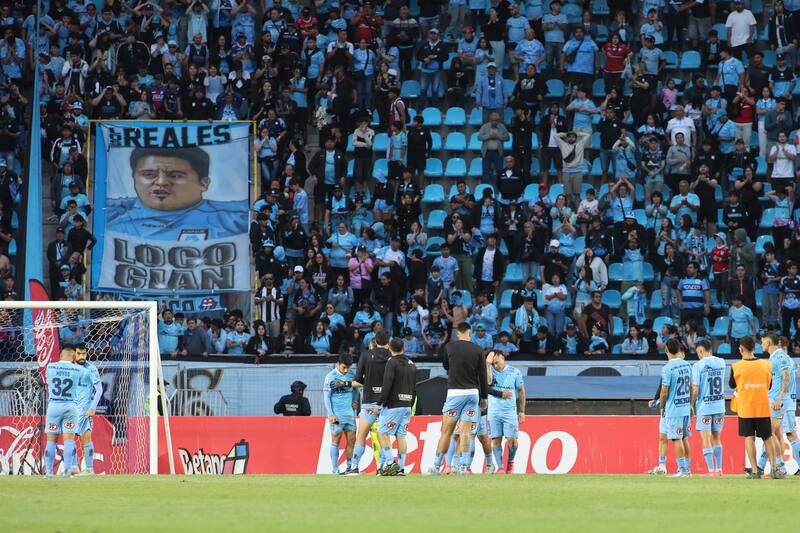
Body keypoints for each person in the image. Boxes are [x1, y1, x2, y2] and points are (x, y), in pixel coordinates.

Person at [105, 147, 248, 239]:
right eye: (148, 174)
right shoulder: (111, 216)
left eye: (175, 175)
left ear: (204, 183)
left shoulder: (232, 221)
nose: (161, 182)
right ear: (134, 178)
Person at [427, 322, 488, 475]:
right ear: (470, 332)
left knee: (446, 432)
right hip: (472, 393)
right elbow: (483, 376)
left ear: (457, 333)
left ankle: (435, 467)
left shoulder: (450, 347)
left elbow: (446, 366)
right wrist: (484, 397)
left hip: (455, 393)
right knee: (466, 432)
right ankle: (462, 467)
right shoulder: (479, 350)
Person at [729, 336, 781, 479]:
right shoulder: (766, 365)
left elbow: (732, 385)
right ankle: (775, 469)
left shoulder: (736, 367)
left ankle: (754, 471)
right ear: (754, 348)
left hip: (746, 408)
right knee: (768, 438)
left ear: (741, 349)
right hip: (763, 407)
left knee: (749, 438)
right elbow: (769, 385)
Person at [348, 330, 391, 475]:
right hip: (387, 402)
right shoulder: (393, 357)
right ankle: (382, 467)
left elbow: (358, 379)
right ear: (388, 341)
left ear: (375, 341)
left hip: (369, 402)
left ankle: (354, 467)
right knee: (384, 436)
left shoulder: (366, 355)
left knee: (361, 435)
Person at [756, 333, 797, 477]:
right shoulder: (773, 358)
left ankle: (778, 466)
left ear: (768, 342)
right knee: (775, 434)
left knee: (768, 433)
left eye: (762, 342)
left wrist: (779, 398)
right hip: (773, 400)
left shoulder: (780, 357)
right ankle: (778, 467)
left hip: (777, 401)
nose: (761, 345)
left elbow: (787, 377)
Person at [374, 337, 417, 476]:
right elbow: (414, 387)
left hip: (394, 405)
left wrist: (379, 402)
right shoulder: (411, 363)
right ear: (403, 348)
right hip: (407, 405)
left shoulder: (391, 362)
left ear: (390, 348)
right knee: (401, 436)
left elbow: (387, 384)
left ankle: (390, 462)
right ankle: (401, 468)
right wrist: (410, 403)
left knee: (382, 432)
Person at [44, 345, 86, 478]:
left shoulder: (50, 367)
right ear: (74, 357)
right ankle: (67, 472)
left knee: (51, 441)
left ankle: (49, 473)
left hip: (54, 407)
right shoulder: (78, 370)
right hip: (70, 407)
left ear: (61, 356)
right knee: (69, 440)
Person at [658, 338, 693, 477]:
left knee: (676, 439)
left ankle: (682, 471)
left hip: (674, 409)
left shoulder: (667, 368)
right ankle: (687, 469)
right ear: (679, 349)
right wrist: (690, 404)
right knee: (684, 438)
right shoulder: (687, 365)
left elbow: (664, 390)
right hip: (685, 406)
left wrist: (661, 406)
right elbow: (691, 386)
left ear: (666, 350)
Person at [691, 339, 726, 476]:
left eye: (698, 352)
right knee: (717, 437)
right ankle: (719, 469)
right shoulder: (722, 362)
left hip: (705, 407)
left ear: (701, 351)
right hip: (719, 406)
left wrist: (691, 404)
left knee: (705, 438)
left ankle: (711, 470)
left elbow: (695, 389)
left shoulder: (698, 365)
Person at [486, 350, 525, 474]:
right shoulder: (490, 370)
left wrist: (522, 411)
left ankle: (511, 462)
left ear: (503, 358)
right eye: (493, 363)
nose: (495, 365)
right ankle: (501, 467)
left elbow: (521, 391)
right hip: (493, 412)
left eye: (496, 362)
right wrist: (487, 364)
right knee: (496, 440)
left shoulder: (515, 372)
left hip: (509, 411)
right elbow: (487, 383)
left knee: (512, 440)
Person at [69, 343, 103, 476]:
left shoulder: (91, 369)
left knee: (86, 438)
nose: (82, 356)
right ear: (74, 354)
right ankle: (73, 468)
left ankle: (89, 469)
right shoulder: (69, 368)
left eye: (84, 354)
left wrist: (92, 408)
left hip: (85, 409)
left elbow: (99, 390)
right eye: (79, 354)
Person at [323, 353, 358, 475]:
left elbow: (356, 389)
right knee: (336, 440)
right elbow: (326, 397)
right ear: (338, 363)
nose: (346, 370)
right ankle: (335, 469)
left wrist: (354, 400)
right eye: (344, 367)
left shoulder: (351, 374)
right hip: (337, 415)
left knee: (352, 440)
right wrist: (331, 414)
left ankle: (349, 467)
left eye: (348, 367)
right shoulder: (330, 376)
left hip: (350, 414)